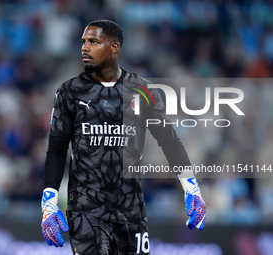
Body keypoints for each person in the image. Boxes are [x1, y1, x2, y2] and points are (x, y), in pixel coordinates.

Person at [41, 19, 206, 255]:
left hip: (131, 210)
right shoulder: (68, 92)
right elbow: (57, 149)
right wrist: (48, 202)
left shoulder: (143, 90)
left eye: (93, 42)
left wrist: (192, 189)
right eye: (83, 42)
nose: (84, 48)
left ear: (114, 47)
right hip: (86, 210)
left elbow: (169, 141)